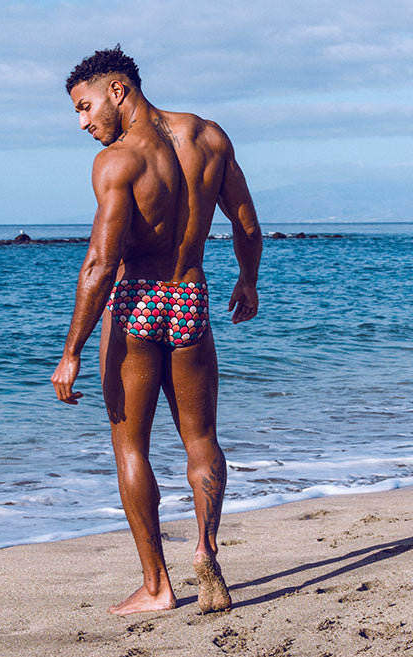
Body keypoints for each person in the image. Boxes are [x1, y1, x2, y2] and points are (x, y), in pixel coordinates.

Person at [51, 45, 262, 616]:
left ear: (117, 91)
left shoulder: (118, 161)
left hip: (138, 305)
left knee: (131, 446)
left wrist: (71, 351)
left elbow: (100, 264)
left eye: (84, 106)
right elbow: (246, 224)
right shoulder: (209, 138)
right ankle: (206, 549)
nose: (82, 122)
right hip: (190, 299)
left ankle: (156, 586)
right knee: (202, 439)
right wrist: (247, 281)